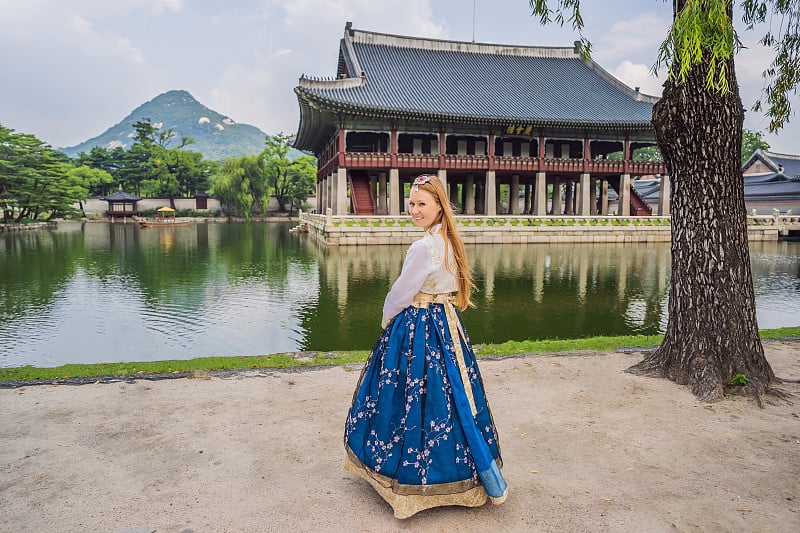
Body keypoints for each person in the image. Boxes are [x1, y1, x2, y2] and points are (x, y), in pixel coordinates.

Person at [343, 174, 508, 519]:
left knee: (408, 395)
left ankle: (408, 479)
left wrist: (387, 320)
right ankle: (463, 473)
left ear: (438, 206)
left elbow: (401, 293)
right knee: (450, 396)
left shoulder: (423, 247)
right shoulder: (449, 240)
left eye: (422, 204)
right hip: (445, 323)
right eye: (412, 203)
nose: (414, 210)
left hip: (419, 324)